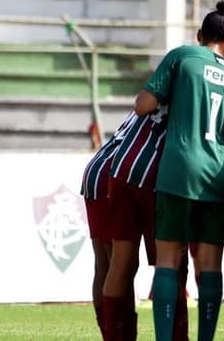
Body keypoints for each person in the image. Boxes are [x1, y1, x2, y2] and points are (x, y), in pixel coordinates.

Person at [134, 0, 224, 341]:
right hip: (218, 174)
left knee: (168, 258)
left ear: (200, 35)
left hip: (179, 169)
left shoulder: (182, 56)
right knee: (210, 263)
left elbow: (144, 106)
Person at [101, 105, 190, 341]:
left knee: (118, 263)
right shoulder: (191, 90)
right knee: (172, 262)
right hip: (155, 178)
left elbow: (141, 103)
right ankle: (177, 336)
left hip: (119, 171)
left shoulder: (159, 88)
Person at [80, 115, 135, 338]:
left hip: (98, 168)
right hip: (113, 173)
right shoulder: (176, 97)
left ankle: (114, 334)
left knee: (106, 264)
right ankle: (120, 335)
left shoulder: (149, 97)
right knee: (121, 264)